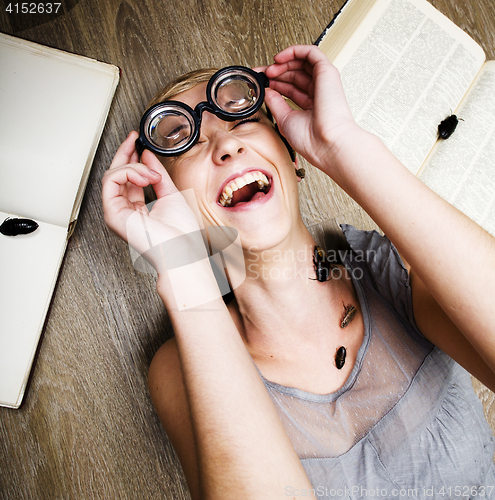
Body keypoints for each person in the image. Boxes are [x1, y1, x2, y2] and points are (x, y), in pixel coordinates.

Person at [102, 45, 495, 499]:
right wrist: (181, 265)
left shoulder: (398, 271)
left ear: (291, 158)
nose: (227, 145)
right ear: (169, 204)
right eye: (184, 141)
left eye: (243, 120)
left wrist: (343, 147)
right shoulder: (179, 370)